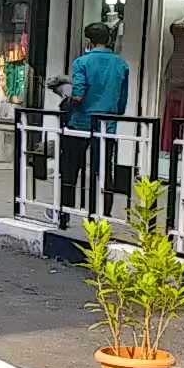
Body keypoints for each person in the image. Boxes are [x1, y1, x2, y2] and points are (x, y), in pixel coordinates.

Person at [58, 21, 131, 222]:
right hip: (107, 124)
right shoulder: (121, 64)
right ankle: (102, 216)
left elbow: (78, 95)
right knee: (104, 171)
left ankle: (65, 213)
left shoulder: (82, 62)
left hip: (81, 122)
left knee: (71, 169)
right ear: (108, 40)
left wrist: (66, 98)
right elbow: (122, 101)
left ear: (89, 41)